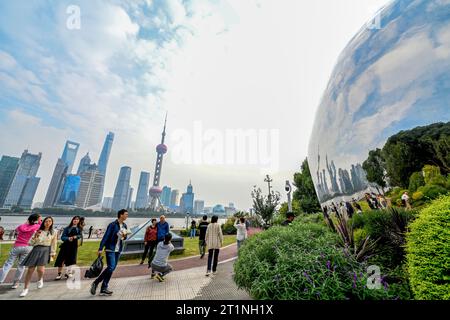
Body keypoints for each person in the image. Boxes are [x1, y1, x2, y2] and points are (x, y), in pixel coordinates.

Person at [90, 209, 130, 296]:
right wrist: (100, 248)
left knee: (111, 269)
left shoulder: (125, 225)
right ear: (121, 215)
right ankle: (96, 282)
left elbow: (124, 238)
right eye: (126, 214)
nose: (127, 216)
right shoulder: (112, 225)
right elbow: (106, 236)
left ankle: (104, 288)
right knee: (111, 267)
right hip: (110, 248)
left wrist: (124, 235)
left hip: (118, 250)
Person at [19, 216, 58, 297]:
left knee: (40, 270)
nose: (48, 223)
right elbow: (30, 243)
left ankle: (40, 279)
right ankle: (25, 289)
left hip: (46, 250)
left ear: (52, 223)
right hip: (36, 250)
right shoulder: (38, 231)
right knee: (30, 270)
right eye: (46, 221)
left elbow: (54, 243)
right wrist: (35, 236)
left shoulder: (54, 232)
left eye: (50, 221)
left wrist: (53, 253)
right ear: (43, 222)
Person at [0, 213, 41, 289]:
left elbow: (16, 230)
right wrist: (39, 221)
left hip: (17, 246)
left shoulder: (21, 226)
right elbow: (41, 226)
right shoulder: (37, 226)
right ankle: (15, 283)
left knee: (8, 264)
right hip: (27, 247)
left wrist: (26, 223)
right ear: (36, 220)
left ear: (28, 219)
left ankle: (0, 280)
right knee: (21, 266)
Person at [54, 216, 82, 280]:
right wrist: (68, 238)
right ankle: (59, 273)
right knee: (61, 260)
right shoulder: (67, 228)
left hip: (74, 246)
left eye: (77, 219)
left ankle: (69, 272)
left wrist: (76, 237)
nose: (75, 220)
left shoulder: (79, 229)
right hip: (66, 246)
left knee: (71, 260)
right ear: (72, 220)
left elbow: (80, 235)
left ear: (78, 221)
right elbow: (62, 237)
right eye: (74, 219)